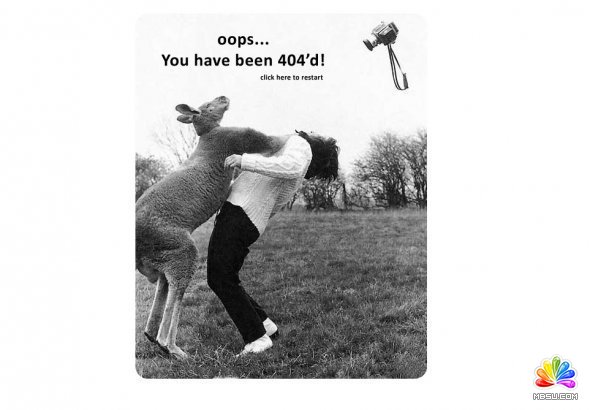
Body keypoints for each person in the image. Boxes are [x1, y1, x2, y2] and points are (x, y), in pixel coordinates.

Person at [207, 130, 339, 356]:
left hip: (240, 215)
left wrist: (244, 160)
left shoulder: (300, 144)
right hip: (244, 218)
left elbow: (291, 166)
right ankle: (265, 326)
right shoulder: (291, 152)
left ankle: (257, 338)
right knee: (225, 276)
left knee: (220, 277)